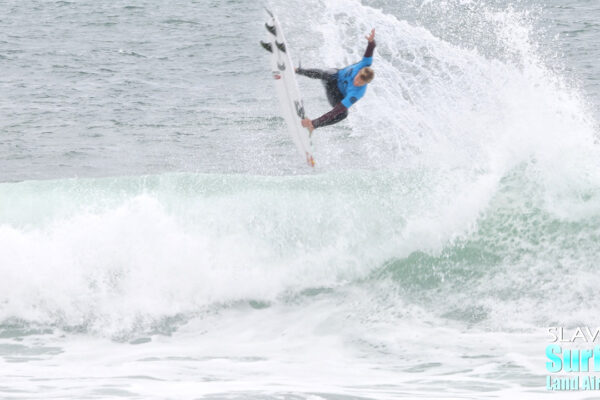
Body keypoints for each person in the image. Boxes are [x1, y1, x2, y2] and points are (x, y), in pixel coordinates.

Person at [296, 29, 376, 134]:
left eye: (361, 83)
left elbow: (337, 110)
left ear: (366, 83)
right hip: (333, 78)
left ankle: (312, 126)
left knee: (343, 114)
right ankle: (297, 70)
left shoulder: (357, 93)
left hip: (335, 95)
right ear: (359, 72)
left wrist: (314, 122)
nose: (357, 83)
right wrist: (371, 42)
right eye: (357, 79)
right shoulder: (364, 64)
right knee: (330, 74)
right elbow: (371, 49)